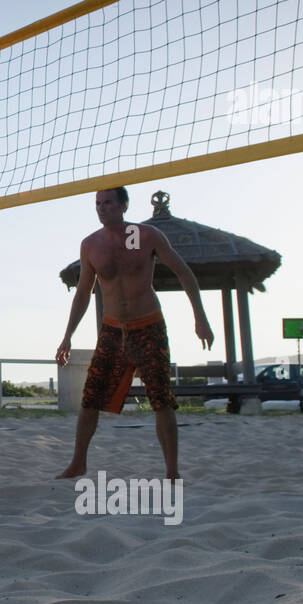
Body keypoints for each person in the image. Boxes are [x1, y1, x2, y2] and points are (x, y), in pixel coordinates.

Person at [55, 187, 215, 480]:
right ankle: (78, 462)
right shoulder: (91, 244)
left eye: (108, 203)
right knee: (90, 397)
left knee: (161, 399)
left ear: (123, 205)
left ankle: (172, 471)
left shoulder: (145, 236)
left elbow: (184, 272)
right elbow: (83, 293)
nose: (102, 208)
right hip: (113, 330)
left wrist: (200, 318)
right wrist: (67, 336)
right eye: (97, 204)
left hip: (148, 325)